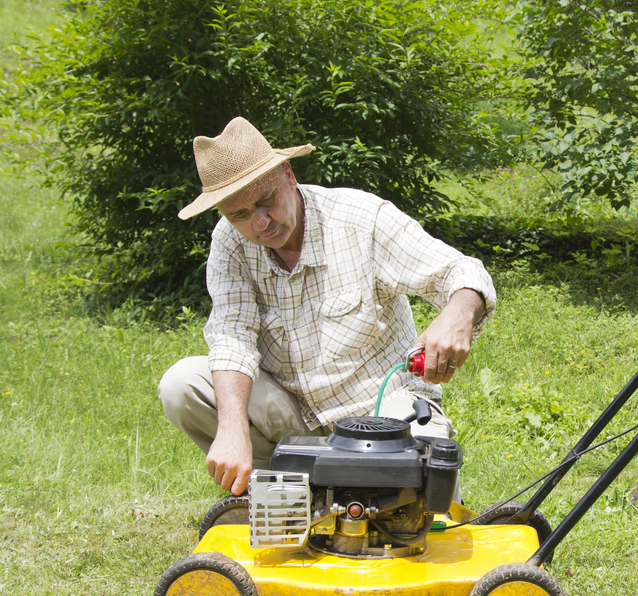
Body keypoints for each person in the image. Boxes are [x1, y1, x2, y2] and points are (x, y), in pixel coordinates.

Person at [158, 117, 495, 496]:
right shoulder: (230, 243)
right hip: (291, 415)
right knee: (181, 385)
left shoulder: (360, 219)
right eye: (239, 214)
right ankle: (284, 491)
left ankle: (378, 495)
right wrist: (232, 430)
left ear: (287, 173)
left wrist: (458, 313)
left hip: (381, 407)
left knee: (423, 491)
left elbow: (462, 270)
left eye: (265, 200)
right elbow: (232, 336)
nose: (261, 222)